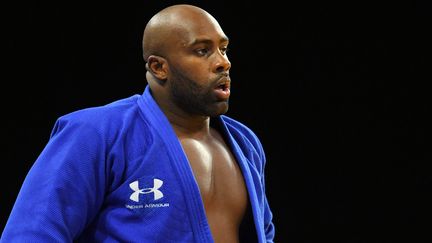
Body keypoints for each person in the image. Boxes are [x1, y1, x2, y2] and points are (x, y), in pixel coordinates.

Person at [1, 4, 275, 243]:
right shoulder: (97, 133)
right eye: (202, 51)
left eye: (223, 49)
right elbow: (31, 235)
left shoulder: (245, 142)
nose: (223, 63)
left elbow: (264, 232)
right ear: (158, 67)